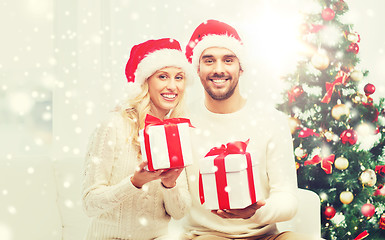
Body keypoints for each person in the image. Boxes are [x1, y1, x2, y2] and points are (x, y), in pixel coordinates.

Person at [183, 19, 312, 240]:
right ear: (198, 68)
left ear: (240, 67)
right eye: (209, 60)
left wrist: (256, 211)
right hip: (206, 235)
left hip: (266, 235)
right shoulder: (182, 122)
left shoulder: (272, 120)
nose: (219, 69)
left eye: (228, 60)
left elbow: (287, 198)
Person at [82, 38, 193, 240]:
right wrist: (134, 182)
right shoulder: (113, 125)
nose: (172, 86)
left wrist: (170, 185)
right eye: (162, 76)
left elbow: (180, 212)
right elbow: (90, 204)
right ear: (145, 81)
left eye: (179, 77)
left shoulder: (175, 132)